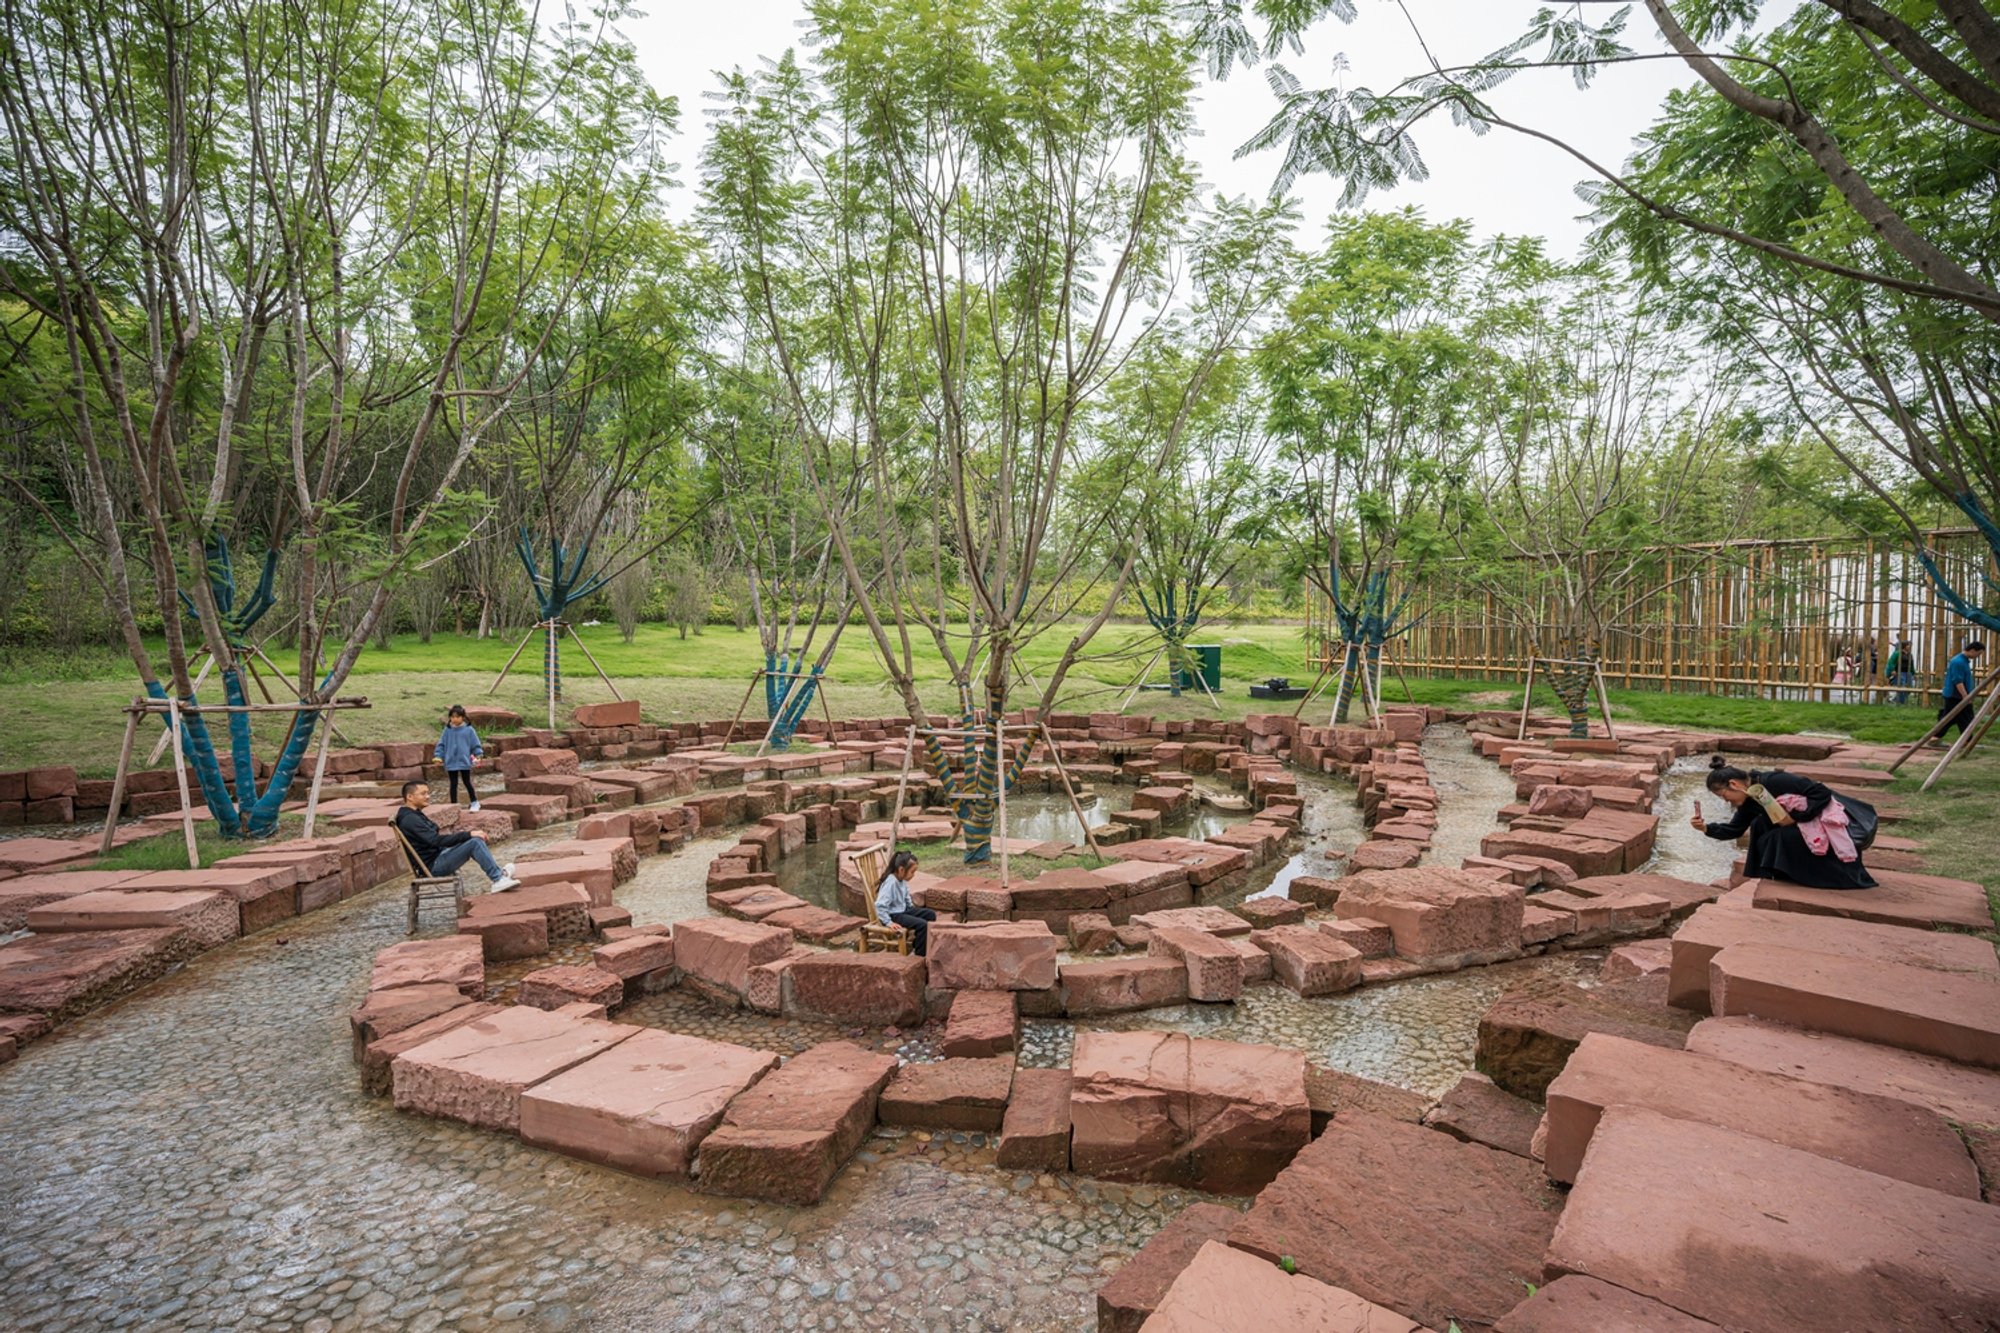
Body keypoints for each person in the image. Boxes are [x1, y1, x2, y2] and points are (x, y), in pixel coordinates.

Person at [1691, 758, 1877, 890]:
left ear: (1733, 784)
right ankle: (1784, 874)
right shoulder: (1749, 801)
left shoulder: (1775, 781)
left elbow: (1821, 793)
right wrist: (1706, 828)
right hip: (1804, 828)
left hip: (1826, 826)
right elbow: (1735, 829)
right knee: (1759, 825)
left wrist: (1798, 817)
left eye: (1724, 796)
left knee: (1777, 836)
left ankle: (1831, 876)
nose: (1726, 801)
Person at [395, 780, 519, 891]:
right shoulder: (410, 819)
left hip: (439, 854)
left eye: (428, 793)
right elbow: (435, 840)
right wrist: (468, 834)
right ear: (410, 797)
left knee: (473, 839)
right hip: (433, 865)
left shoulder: (413, 814)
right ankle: (498, 879)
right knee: (474, 842)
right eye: (423, 794)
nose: (428, 796)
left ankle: (499, 874)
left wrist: (467, 836)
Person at [873, 850, 936, 955]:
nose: (913, 875)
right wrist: (889, 922)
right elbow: (880, 905)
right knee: (922, 925)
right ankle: (919, 955)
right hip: (893, 915)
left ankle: (919, 944)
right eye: (912, 872)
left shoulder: (902, 880)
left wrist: (912, 909)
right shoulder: (891, 883)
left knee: (930, 914)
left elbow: (906, 897)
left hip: (903, 910)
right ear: (901, 870)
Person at [434, 704, 485, 811]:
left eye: (457, 717)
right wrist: (438, 756)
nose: (454, 719)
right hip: (451, 761)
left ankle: (475, 802)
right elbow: (441, 744)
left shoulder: (469, 730)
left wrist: (478, 754)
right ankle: (453, 805)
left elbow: (475, 744)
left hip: (464, 761)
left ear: (463, 717)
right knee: (453, 784)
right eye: (452, 717)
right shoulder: (447, 730)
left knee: (467, 782)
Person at [1938, 639, 1986, 740]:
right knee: (1959, 719)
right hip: (1955, 696)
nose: (1978, 656)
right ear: (1973, 650)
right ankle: (1936, 737)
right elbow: (1957, 681)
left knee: (1958, 718)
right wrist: (1965, 696)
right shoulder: (1958, 662)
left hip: (1959, 696)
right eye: (1978, 653)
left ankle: (1966, 740)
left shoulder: (1963, 661)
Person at [1887, 638, 1915, 705]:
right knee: (1901, 687)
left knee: (1910, 688)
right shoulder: (1897, 653)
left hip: (1908, 673)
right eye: (1908, 645)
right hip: (1900, 672)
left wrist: (1913, 673)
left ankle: (1895, 700)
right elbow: (1890, 662)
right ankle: (1900, 703)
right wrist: (1893, 670)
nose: (1910, 646)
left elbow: (1911, 664)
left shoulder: (1910, 655)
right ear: (1904, 646)